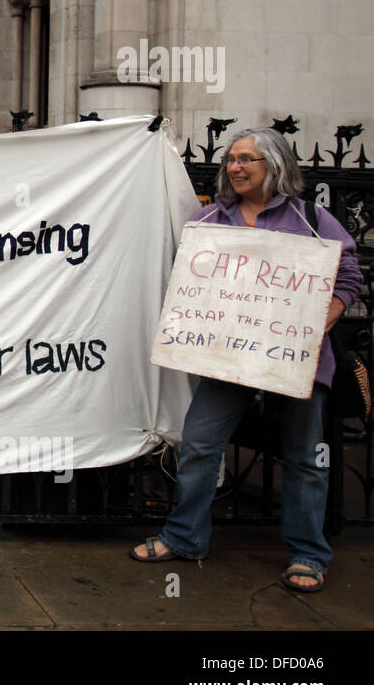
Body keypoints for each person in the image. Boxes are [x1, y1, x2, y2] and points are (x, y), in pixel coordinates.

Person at [131, 127, 361, 592]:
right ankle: (185, 537)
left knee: (304, 460)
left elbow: (348, 277)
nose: (235, 167)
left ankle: (308, 555)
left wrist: (318, 322)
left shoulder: (311, 217)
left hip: (294, 360)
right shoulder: (211, 219)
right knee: (198, 444)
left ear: (274, 165)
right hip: (228, 359)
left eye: (246, 159)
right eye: (231, 159)